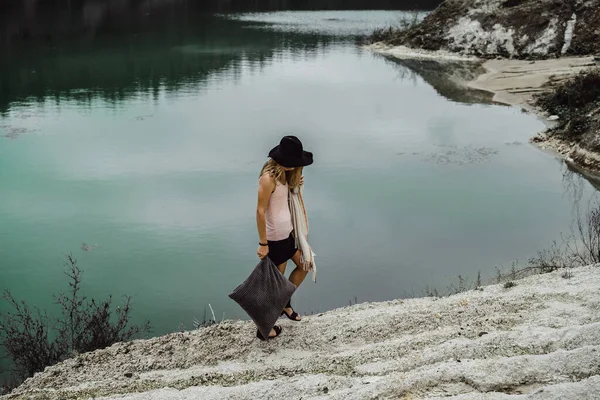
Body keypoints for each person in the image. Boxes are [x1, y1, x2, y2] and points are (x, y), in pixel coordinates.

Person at [255, 135, 314, 339]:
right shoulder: (268, 178)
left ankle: (284, 304)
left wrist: (294, 184)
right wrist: (263, 244)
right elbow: (260, 211)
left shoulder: (285, 176)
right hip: (274, 240)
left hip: (288, 236)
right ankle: (264, 329)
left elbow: (285, 199)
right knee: (275, 286)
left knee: (306, 265)